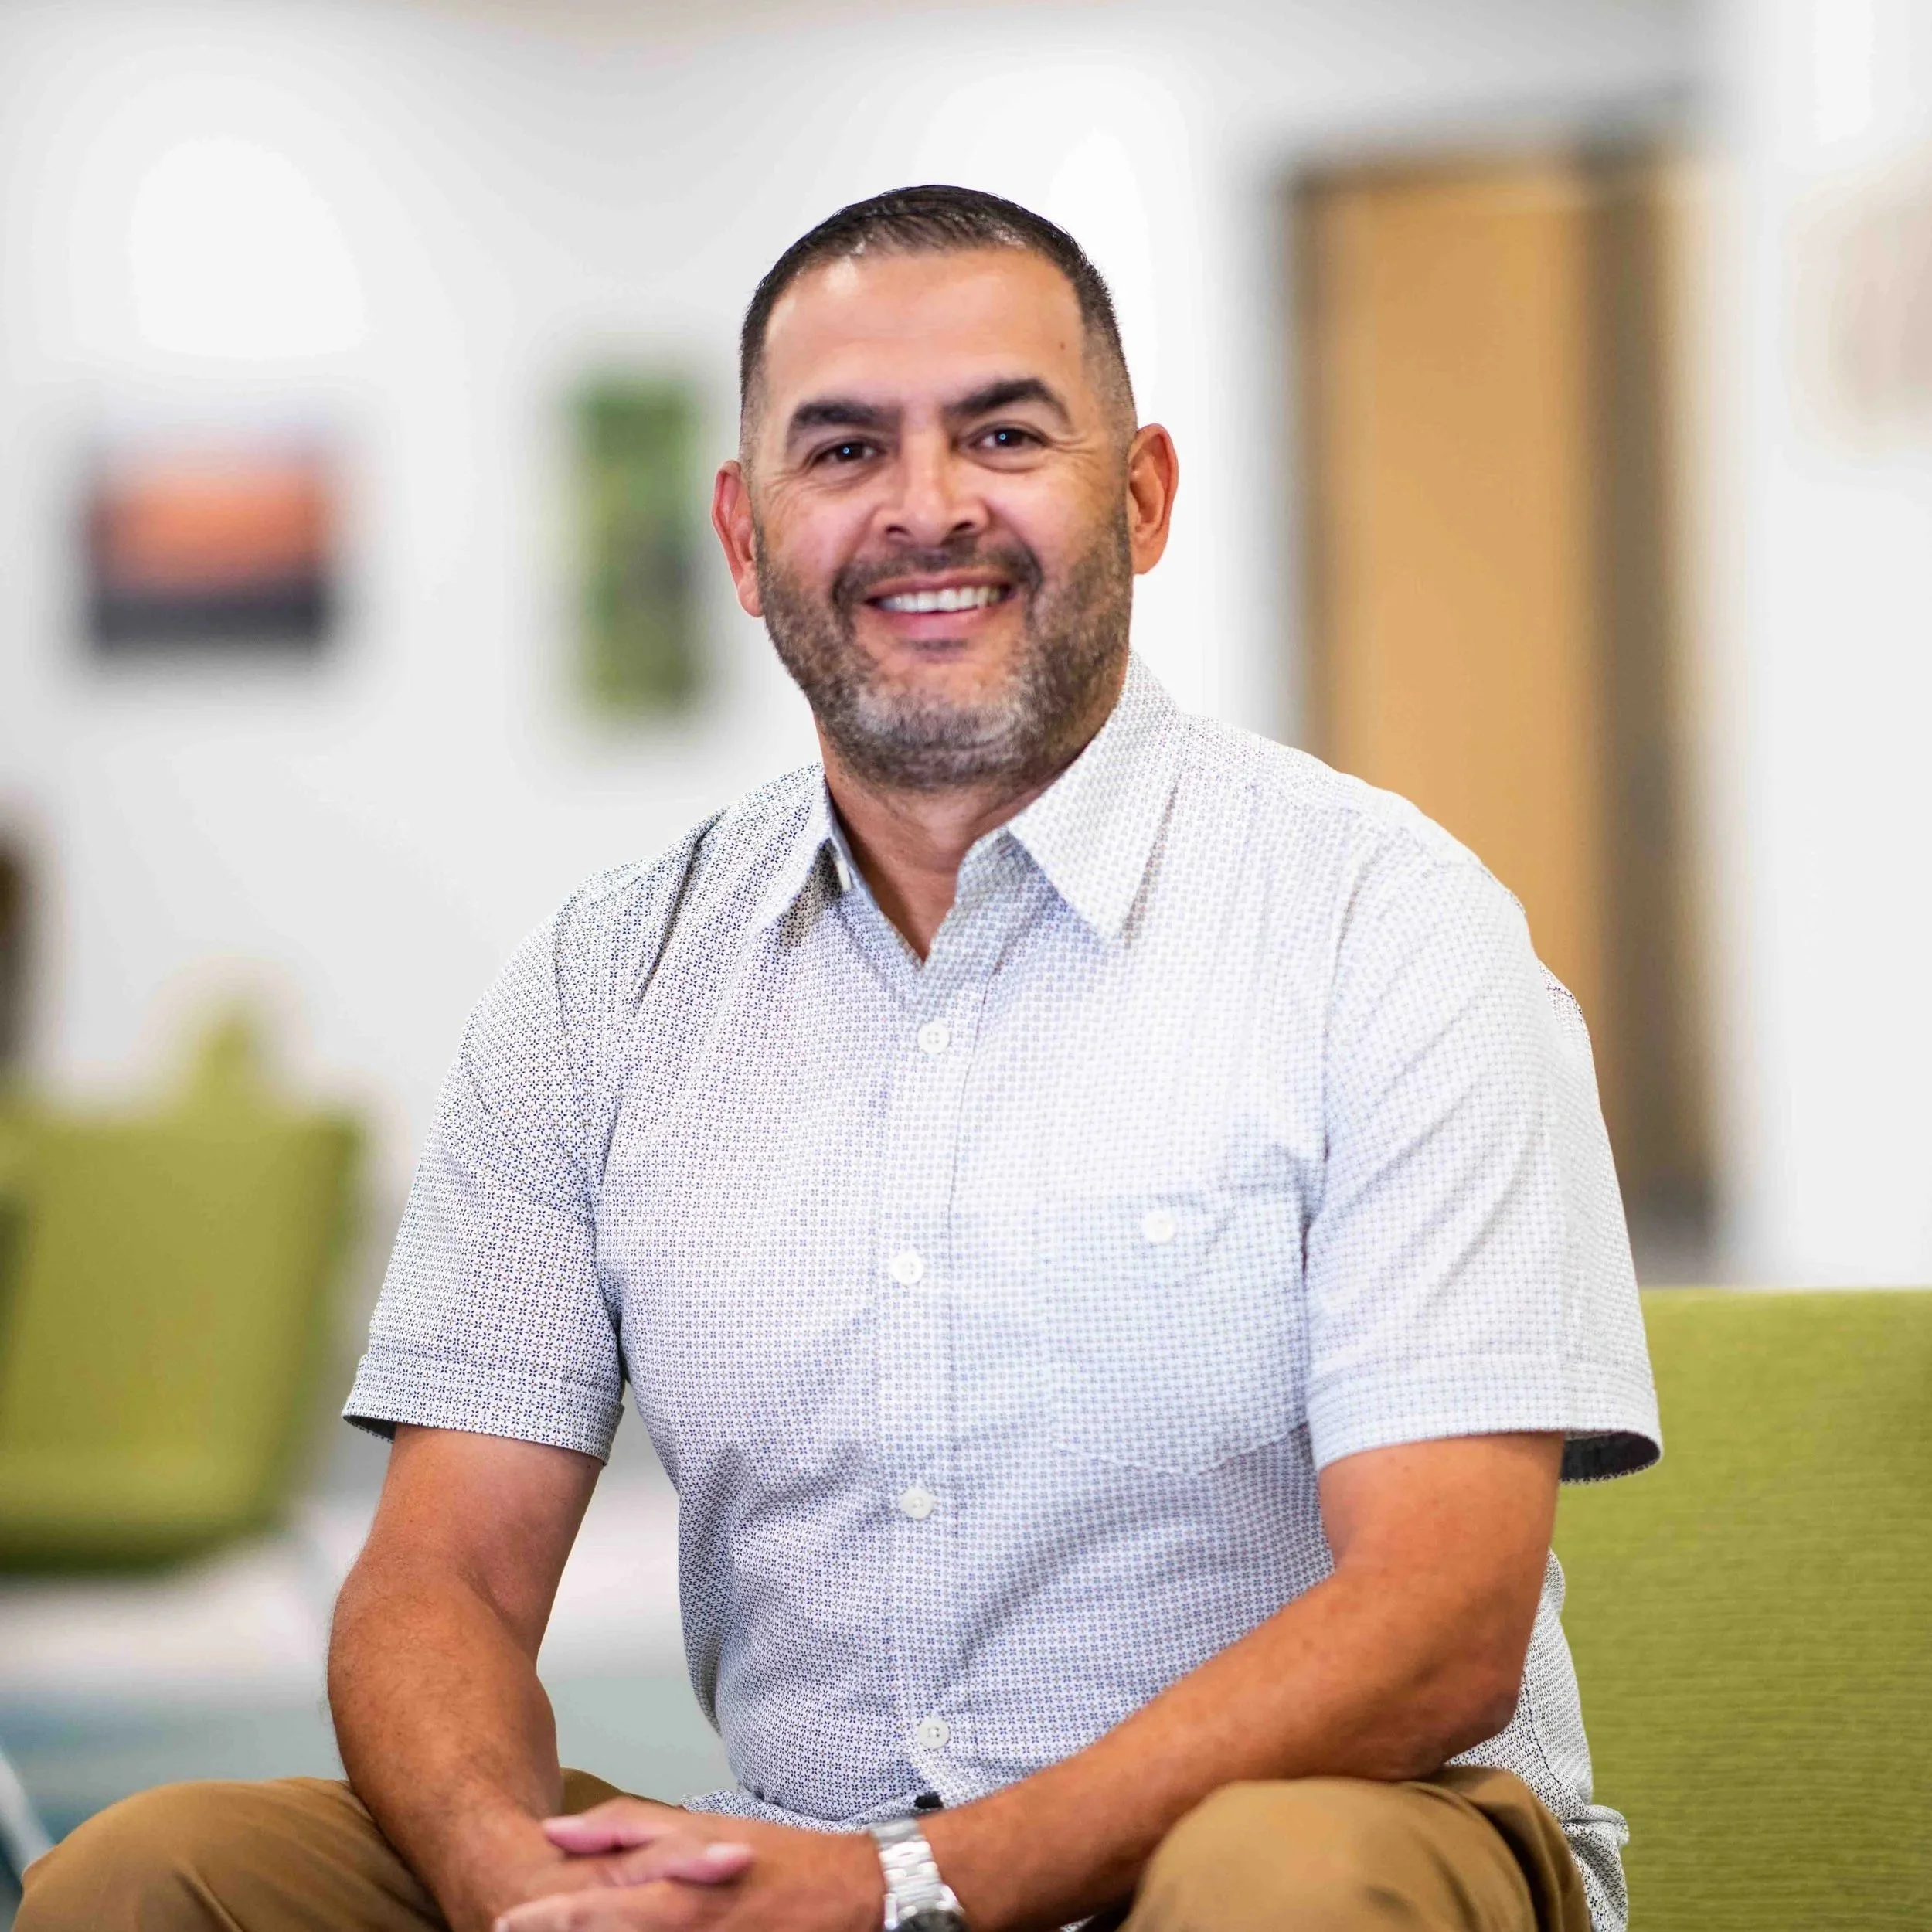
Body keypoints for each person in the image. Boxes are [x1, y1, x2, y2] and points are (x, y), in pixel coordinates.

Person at [21, 185, 1659, 1932]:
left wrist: (910, 1886)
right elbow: (440, 1578)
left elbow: (1439, 1616)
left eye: (1004, 432)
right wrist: (512, 1878)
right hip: (785, 1854)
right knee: (158, 1874)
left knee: (1277, 1876)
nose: (926, 506)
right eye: (844, 449)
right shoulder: (603, 986)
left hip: (1329, 1839)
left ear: (1144, 493)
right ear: (741, 536)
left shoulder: (1387, 931)